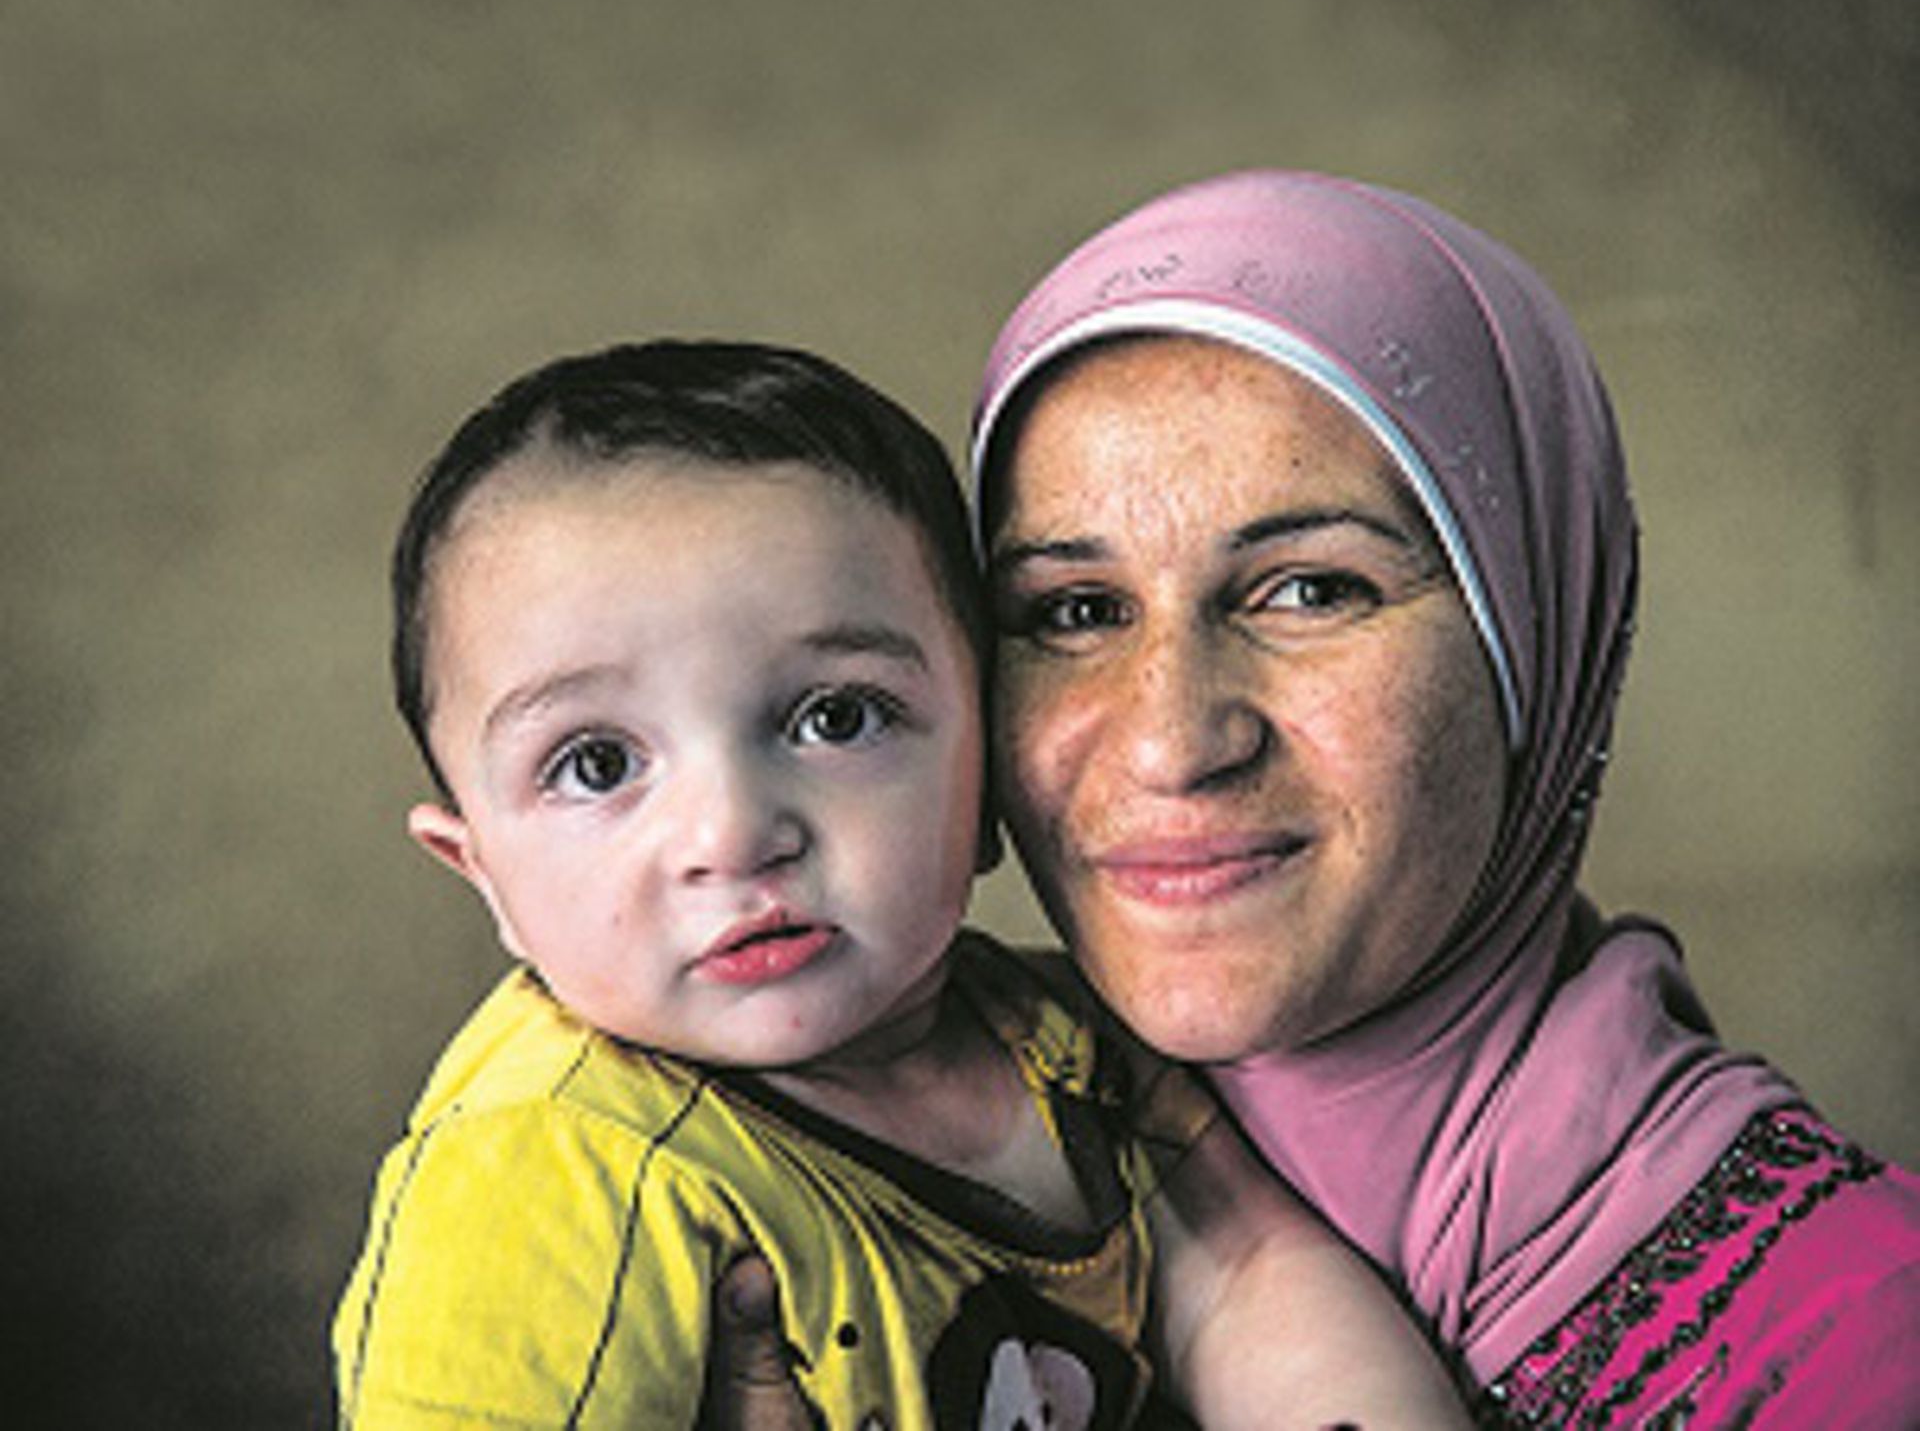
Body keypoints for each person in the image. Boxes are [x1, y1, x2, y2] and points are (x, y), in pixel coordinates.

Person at [331, 339, 1470, 1429]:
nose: (733, 835)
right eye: (596, 764)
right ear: (482, 872)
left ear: (989, 773)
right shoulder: (549, 1172)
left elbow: (1247, 1278)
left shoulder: (1063, 1041)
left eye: (835, 717)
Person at [965, 170, 1920, 1426]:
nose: (1172, 741)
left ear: (1538, 636)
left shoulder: (1864, 1338)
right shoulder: (843, 1228)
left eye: (1312, 590)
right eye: (1075, 612)